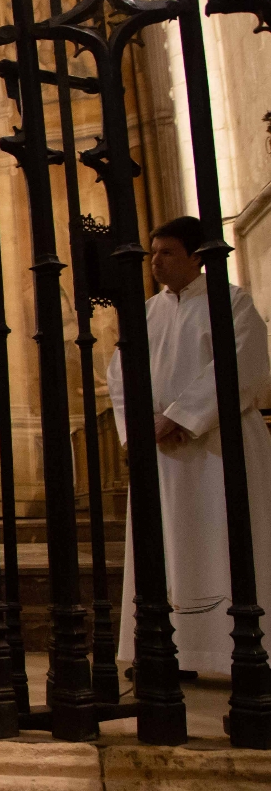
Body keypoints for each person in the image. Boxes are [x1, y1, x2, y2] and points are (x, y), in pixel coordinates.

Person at [109, 216, 271, 677]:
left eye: (167, 253)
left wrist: (180, 417)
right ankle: (169, 651)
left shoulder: (232, 303)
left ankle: (246, 652)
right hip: (162, 454)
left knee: (228, 542)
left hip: (220, 447)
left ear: (197, 257)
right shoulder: (145, 313)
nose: (156, 262)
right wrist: (144, 428)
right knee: (165, 548)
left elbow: (242, 366)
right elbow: (119, 377)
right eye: (154, 253)